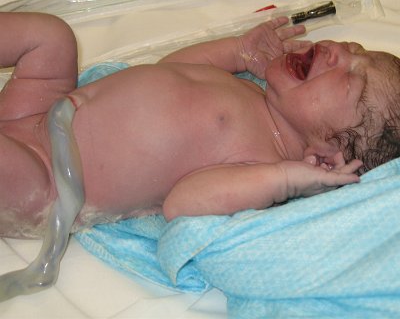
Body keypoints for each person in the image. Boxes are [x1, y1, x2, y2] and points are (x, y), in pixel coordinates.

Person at [0, 12, 398, 240]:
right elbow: (170, 70)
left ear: (325, 159)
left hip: (47, 178)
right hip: (44, 108)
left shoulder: (261, 165)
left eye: (350, 80)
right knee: (52, 36)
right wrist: (238, 51)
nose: (337, 51)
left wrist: (285, 180)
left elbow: (183, 204)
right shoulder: (247, 90)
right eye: (354, 49)